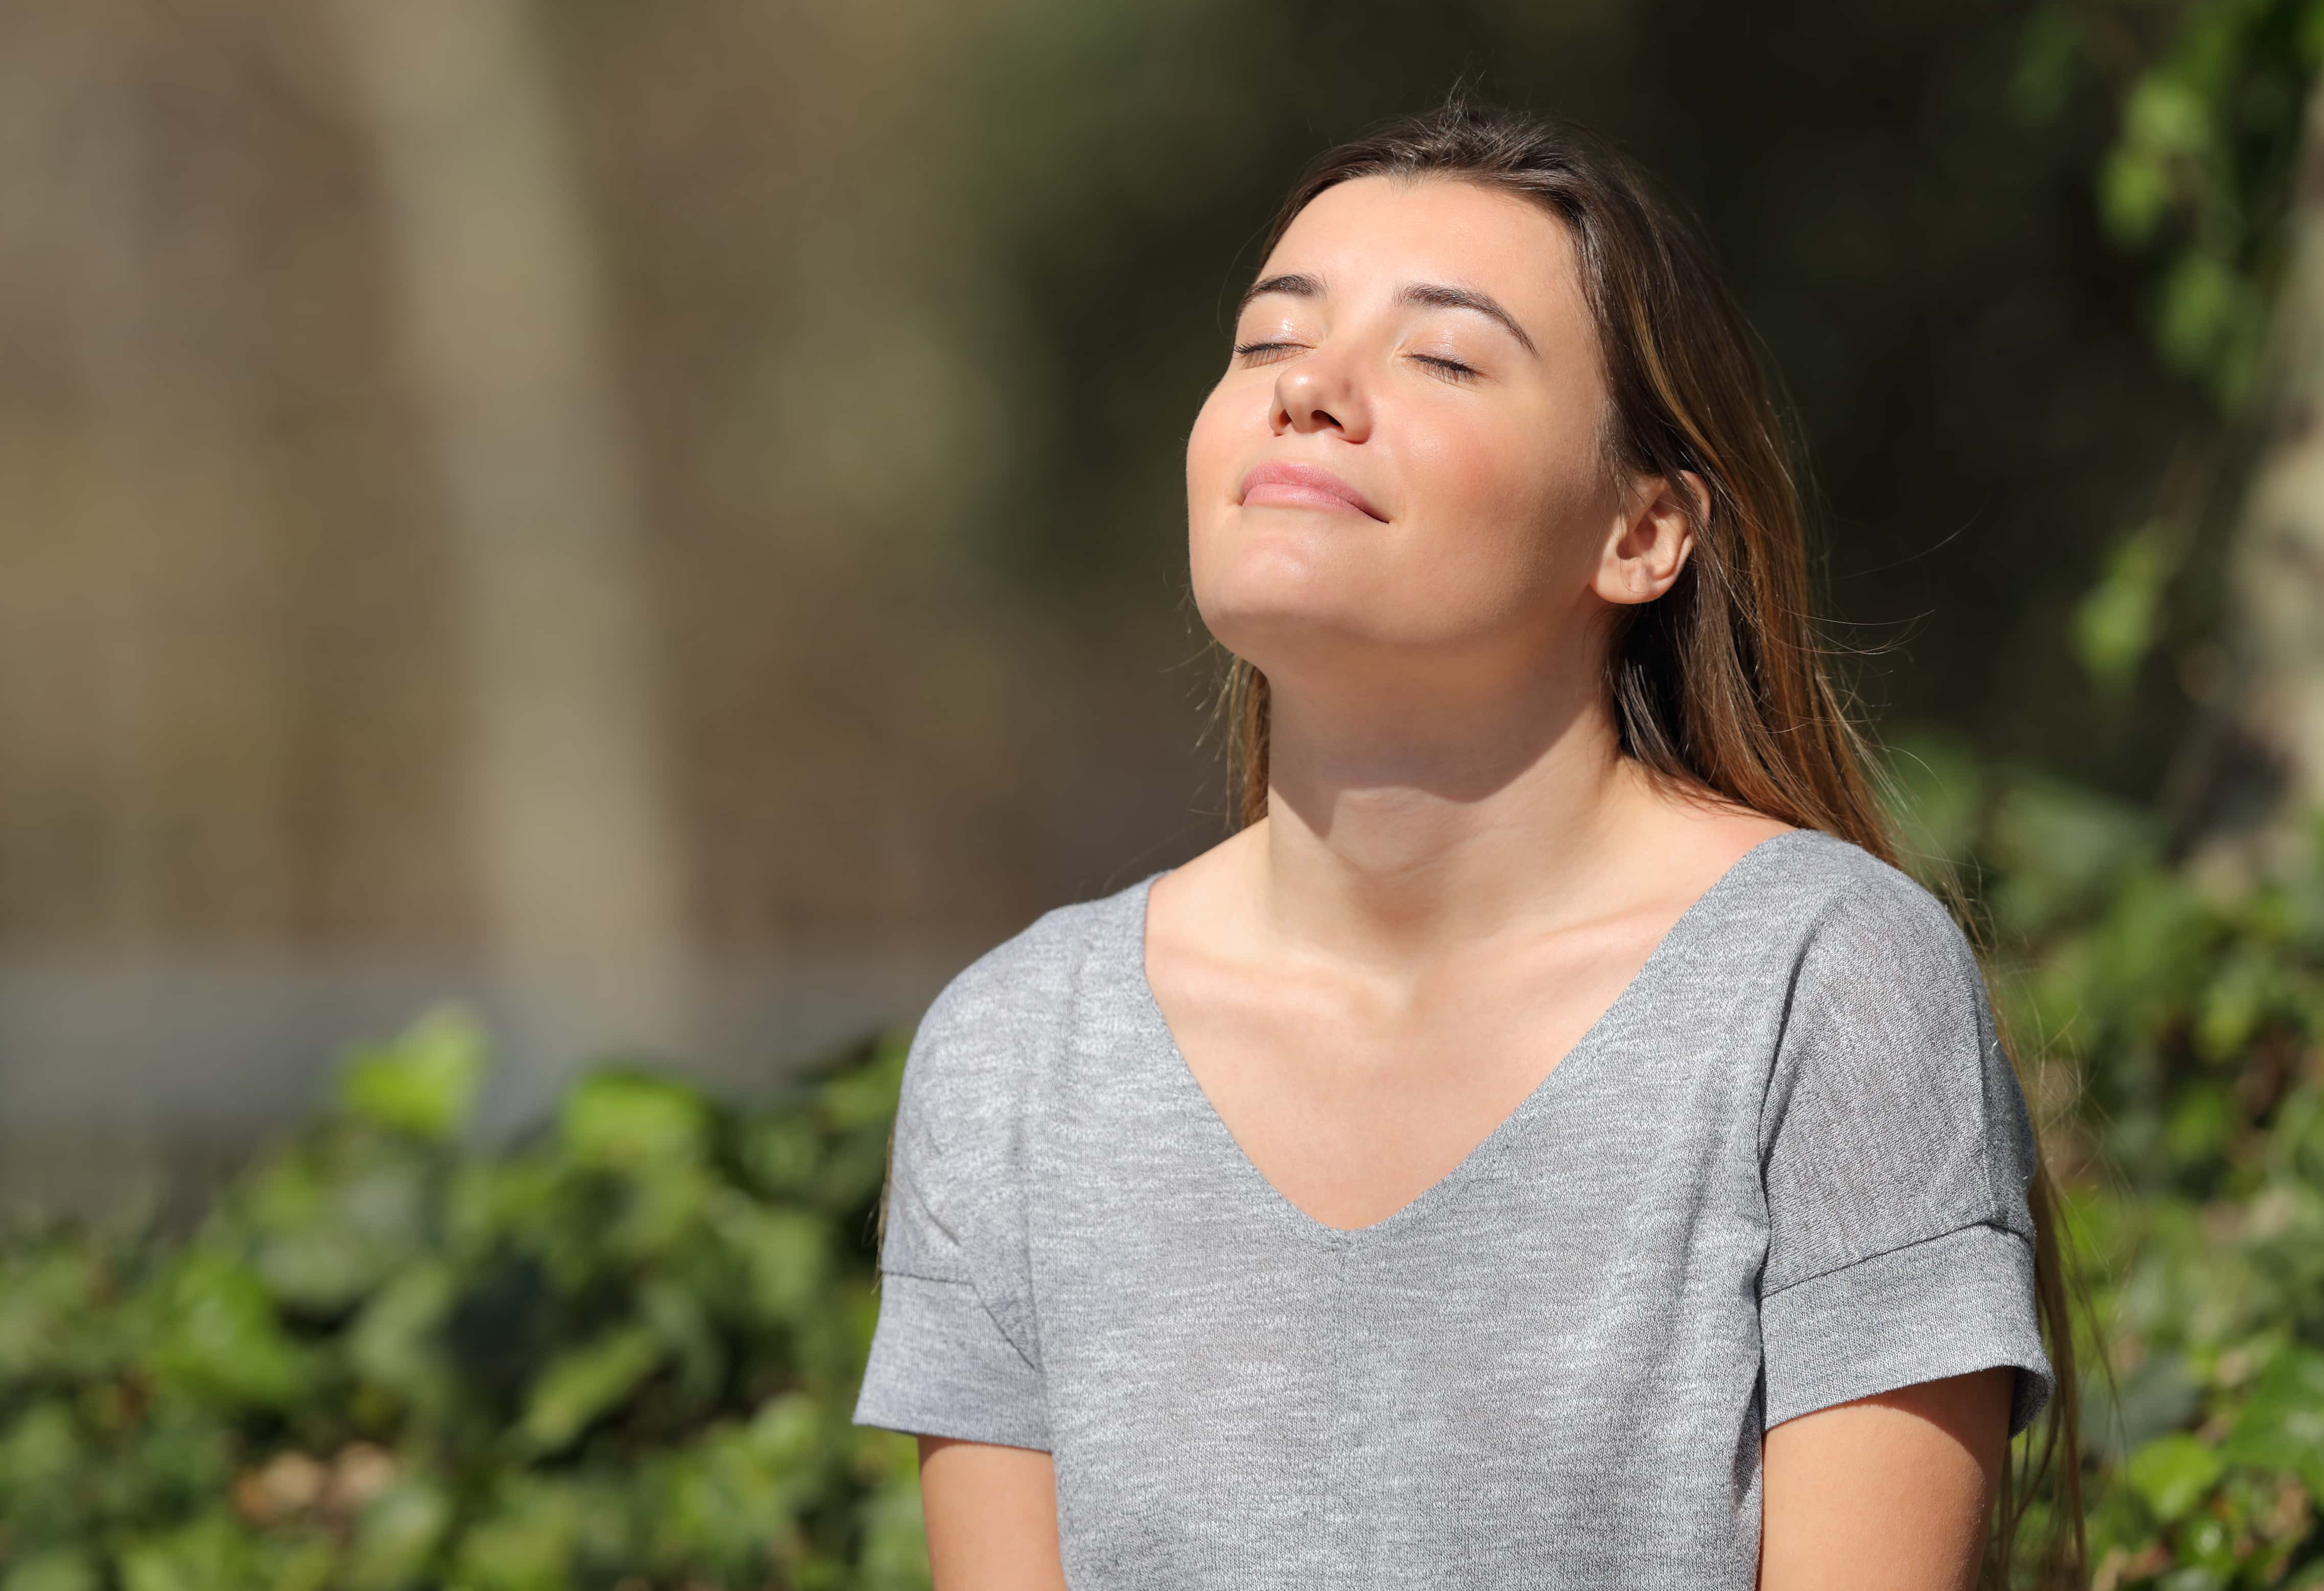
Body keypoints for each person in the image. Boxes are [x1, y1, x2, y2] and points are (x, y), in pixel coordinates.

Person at [850, 101, 2081, 1590]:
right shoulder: (1014, 1055)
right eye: (1264, 343)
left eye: (1440, 356)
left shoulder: (1825, 989)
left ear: (1643, 533)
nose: (1308, 389)